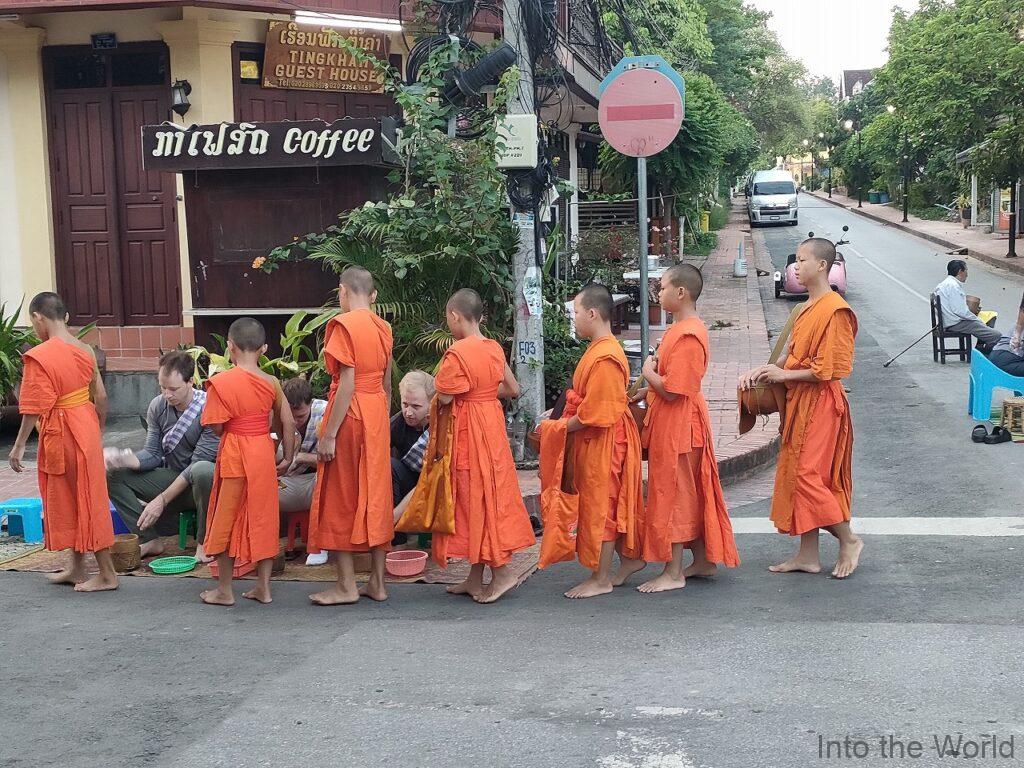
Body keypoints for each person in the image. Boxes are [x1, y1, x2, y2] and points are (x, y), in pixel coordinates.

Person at [740, 238, 863, 579]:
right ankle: (808, 555)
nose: (796, 266)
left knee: (809, 476)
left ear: (822, 265)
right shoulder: (805, 307)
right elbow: (789, 355)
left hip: (822, 403)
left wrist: (785, 373)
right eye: (795, 260)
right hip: (799, 401)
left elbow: (831, 369)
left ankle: (848, 538)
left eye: (802, 260)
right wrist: (765, 371)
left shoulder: (835, 310)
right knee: (797, 473)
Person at [616, 265, 740, 592]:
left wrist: (646, 372)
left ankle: (673, 572)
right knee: (688, 489)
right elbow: (667, 385)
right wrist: (647, 389)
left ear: (681, 292)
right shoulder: (678, 329)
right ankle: (702, 559)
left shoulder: (689, 333)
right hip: (674, 418)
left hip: (680, 422)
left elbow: (674, 389)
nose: (659, 291)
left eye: (664, 286)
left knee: (674, 492)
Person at [8, 292, 118, 592]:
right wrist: (97, 431)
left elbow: (34, 407)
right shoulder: (85, 349)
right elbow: (102, 397)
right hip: (84, 423)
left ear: (37, 318)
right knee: (80, 495)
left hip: (63, 429)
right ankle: (77, 568)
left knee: (80, 498)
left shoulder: (40, 356)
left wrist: (19, 446)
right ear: (64, 317)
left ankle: (107, 574)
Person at [431, 289, 535, 603]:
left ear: (454, 316)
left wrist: (466, 394)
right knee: (487, 494)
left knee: (475, 497)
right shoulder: (493, 348)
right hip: (491, 424)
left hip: (469, 431)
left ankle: (502, 572)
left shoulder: (457, 353)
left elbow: (446, 395)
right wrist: (483, 393)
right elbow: (512, 388)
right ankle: (475, 577)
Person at [308, 267, 394, 606]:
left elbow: (346, 384)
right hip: (375, 413)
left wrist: (328, 434)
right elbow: (386, 383)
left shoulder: (343, 326)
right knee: (375, 493)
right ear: (372, 295)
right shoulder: (383, 327)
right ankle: (377, 582)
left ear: (343, 291)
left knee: (341, 495)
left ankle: (346, 585)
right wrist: (380, 421)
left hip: (351, 413)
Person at [554, 283, 643, 599]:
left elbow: (599, 414)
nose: (574, 318)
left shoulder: (605, 356)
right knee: (601, 501)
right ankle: (630, 559)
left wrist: (561, 428)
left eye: (576, 312)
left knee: (602, 505)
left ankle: (601, 578)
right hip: (597, 438)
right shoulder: (599, 347)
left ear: (592, 313)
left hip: (605, 439)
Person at [199, 318, 295, 606]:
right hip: (263, 454)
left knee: (225, 518)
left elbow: (217, 427)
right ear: (264, 349)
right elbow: (287, 421)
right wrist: (287, 455)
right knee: (263, 517)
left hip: (234, 454)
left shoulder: (221, 383)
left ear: (230, 347)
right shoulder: (272, 382)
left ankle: (225, 590)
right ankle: (263, 587)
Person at [104, 350, 218, 560]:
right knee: (114, 474)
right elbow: (153, 454)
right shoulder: (158, 406)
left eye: (174, 389)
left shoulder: (208, 409)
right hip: (174, 477)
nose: (167, 394)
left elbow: (195, 467)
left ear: (191, 382)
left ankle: (205, 541)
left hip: (204, 486)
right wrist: (122, 458)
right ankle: (148, 538)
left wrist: (161, 500)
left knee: (203, 471)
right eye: (163, 388)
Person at [277, 377, 329, 565]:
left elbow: (338, 461)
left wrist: (300, 457)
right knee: (259, 487)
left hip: (322, 480)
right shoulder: (279, 416)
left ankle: (320, 543)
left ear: (311, 403)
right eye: (292, 418)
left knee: (325, 478)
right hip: (293, 480)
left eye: (300, 417)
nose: (296, 422)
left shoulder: (325, 414)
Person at [934, 260, 1000, 351]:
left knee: (989, 317)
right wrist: (977, 319)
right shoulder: (953, 286)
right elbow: (960, 311)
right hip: (956, 323)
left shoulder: (944, 284)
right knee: (997, 336)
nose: (967, 274)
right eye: (966, 271)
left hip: (950, 320)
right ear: (960, 271)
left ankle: (981, 345)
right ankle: (984, 352)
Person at [390, 370, 434, 507]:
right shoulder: (397, 423)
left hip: (432, 488)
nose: (408, 413)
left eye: (416, 407)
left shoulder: (441, 428)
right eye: (405, 405)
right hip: (403, 484)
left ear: (432, 404)